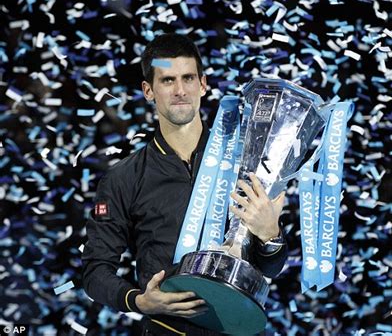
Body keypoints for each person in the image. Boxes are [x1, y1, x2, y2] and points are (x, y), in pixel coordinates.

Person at [82, 33, 288, 336]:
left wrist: (271, 235)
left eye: (188, 78)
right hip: (167, 329)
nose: (180, 91)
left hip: (238, 327)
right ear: (148, 90)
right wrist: (139, 300)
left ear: (203, 84)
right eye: (167, 81)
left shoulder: (248, 161)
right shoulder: (123, 178)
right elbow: (95, 270)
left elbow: (269, 268)